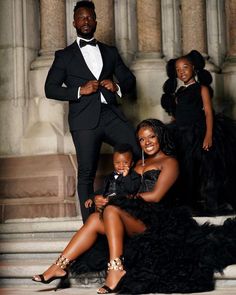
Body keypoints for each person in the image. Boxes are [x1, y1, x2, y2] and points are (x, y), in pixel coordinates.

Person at [32, 119, 236, 294]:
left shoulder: (170, 162)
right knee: (95, 218)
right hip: (132, 217)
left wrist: (119, 200)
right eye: (141, 139)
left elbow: (156, 196)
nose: (147, 142)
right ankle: (59, 266)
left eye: (151, 137)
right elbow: (116, 188)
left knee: (112, 209)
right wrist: (101, 198)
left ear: (160, 136)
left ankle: (116, 269)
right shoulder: (136, 163)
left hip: (158, 223)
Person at [44, 0, 140, 222]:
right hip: (84, 121)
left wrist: (115, 86)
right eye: (81, 17)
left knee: (135, 151)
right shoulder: (64, 56)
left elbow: (129, 80)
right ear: (74, 22)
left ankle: (134, 211)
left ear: (95, 21)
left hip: (110, 115)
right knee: (86, 173)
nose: (85, 21)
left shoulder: (110, 52)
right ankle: (91, 225)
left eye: (89, 17)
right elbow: (50, 88)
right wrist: (79, 90)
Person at [161, 50, 236, 216]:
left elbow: (209, 112)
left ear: (193, 68)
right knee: (186, 168)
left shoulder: (201, 89)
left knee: (208, 167)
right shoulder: (178, 93)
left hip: (200, 132)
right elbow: (179, 112)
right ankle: (188, 203)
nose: (181, 72)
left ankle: (212, 202)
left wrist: (208, 135)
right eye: (178, 69)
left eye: (185, 67)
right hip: (182, 134)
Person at [84, 143, 141, 211]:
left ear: (131, 164)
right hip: (107, 206)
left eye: (125, 163)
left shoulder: (134, 176)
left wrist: (126, 177)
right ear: (113, 162)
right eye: (117, 162)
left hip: (123, 209)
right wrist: (92, 198)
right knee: (95, 212)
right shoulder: (110, 176)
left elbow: (131, 190)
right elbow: (103, 190)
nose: (121, 165)